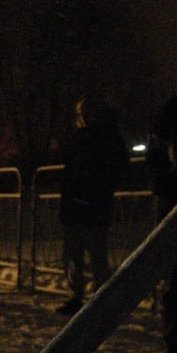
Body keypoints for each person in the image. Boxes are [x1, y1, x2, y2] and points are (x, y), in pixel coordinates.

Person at [55, 95, 129, 315]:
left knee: (96, 255)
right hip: (77, 204)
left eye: (87, 113)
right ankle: (78, 295)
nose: (84, 117)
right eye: (81, 114)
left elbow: (116, 169)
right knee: (73, 255)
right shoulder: (80, 137)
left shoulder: (107, 137)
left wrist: (96, 184)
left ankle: (100, 298)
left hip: (94, 204)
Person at [148, 92, 177, 353]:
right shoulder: (173, 110)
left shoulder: (172, 109)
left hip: (172, 201)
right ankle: (172, 349)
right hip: (174, 206)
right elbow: (155, 155)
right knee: (174, 284)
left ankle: (172, 350)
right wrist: (164, 184)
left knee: (174, 284)